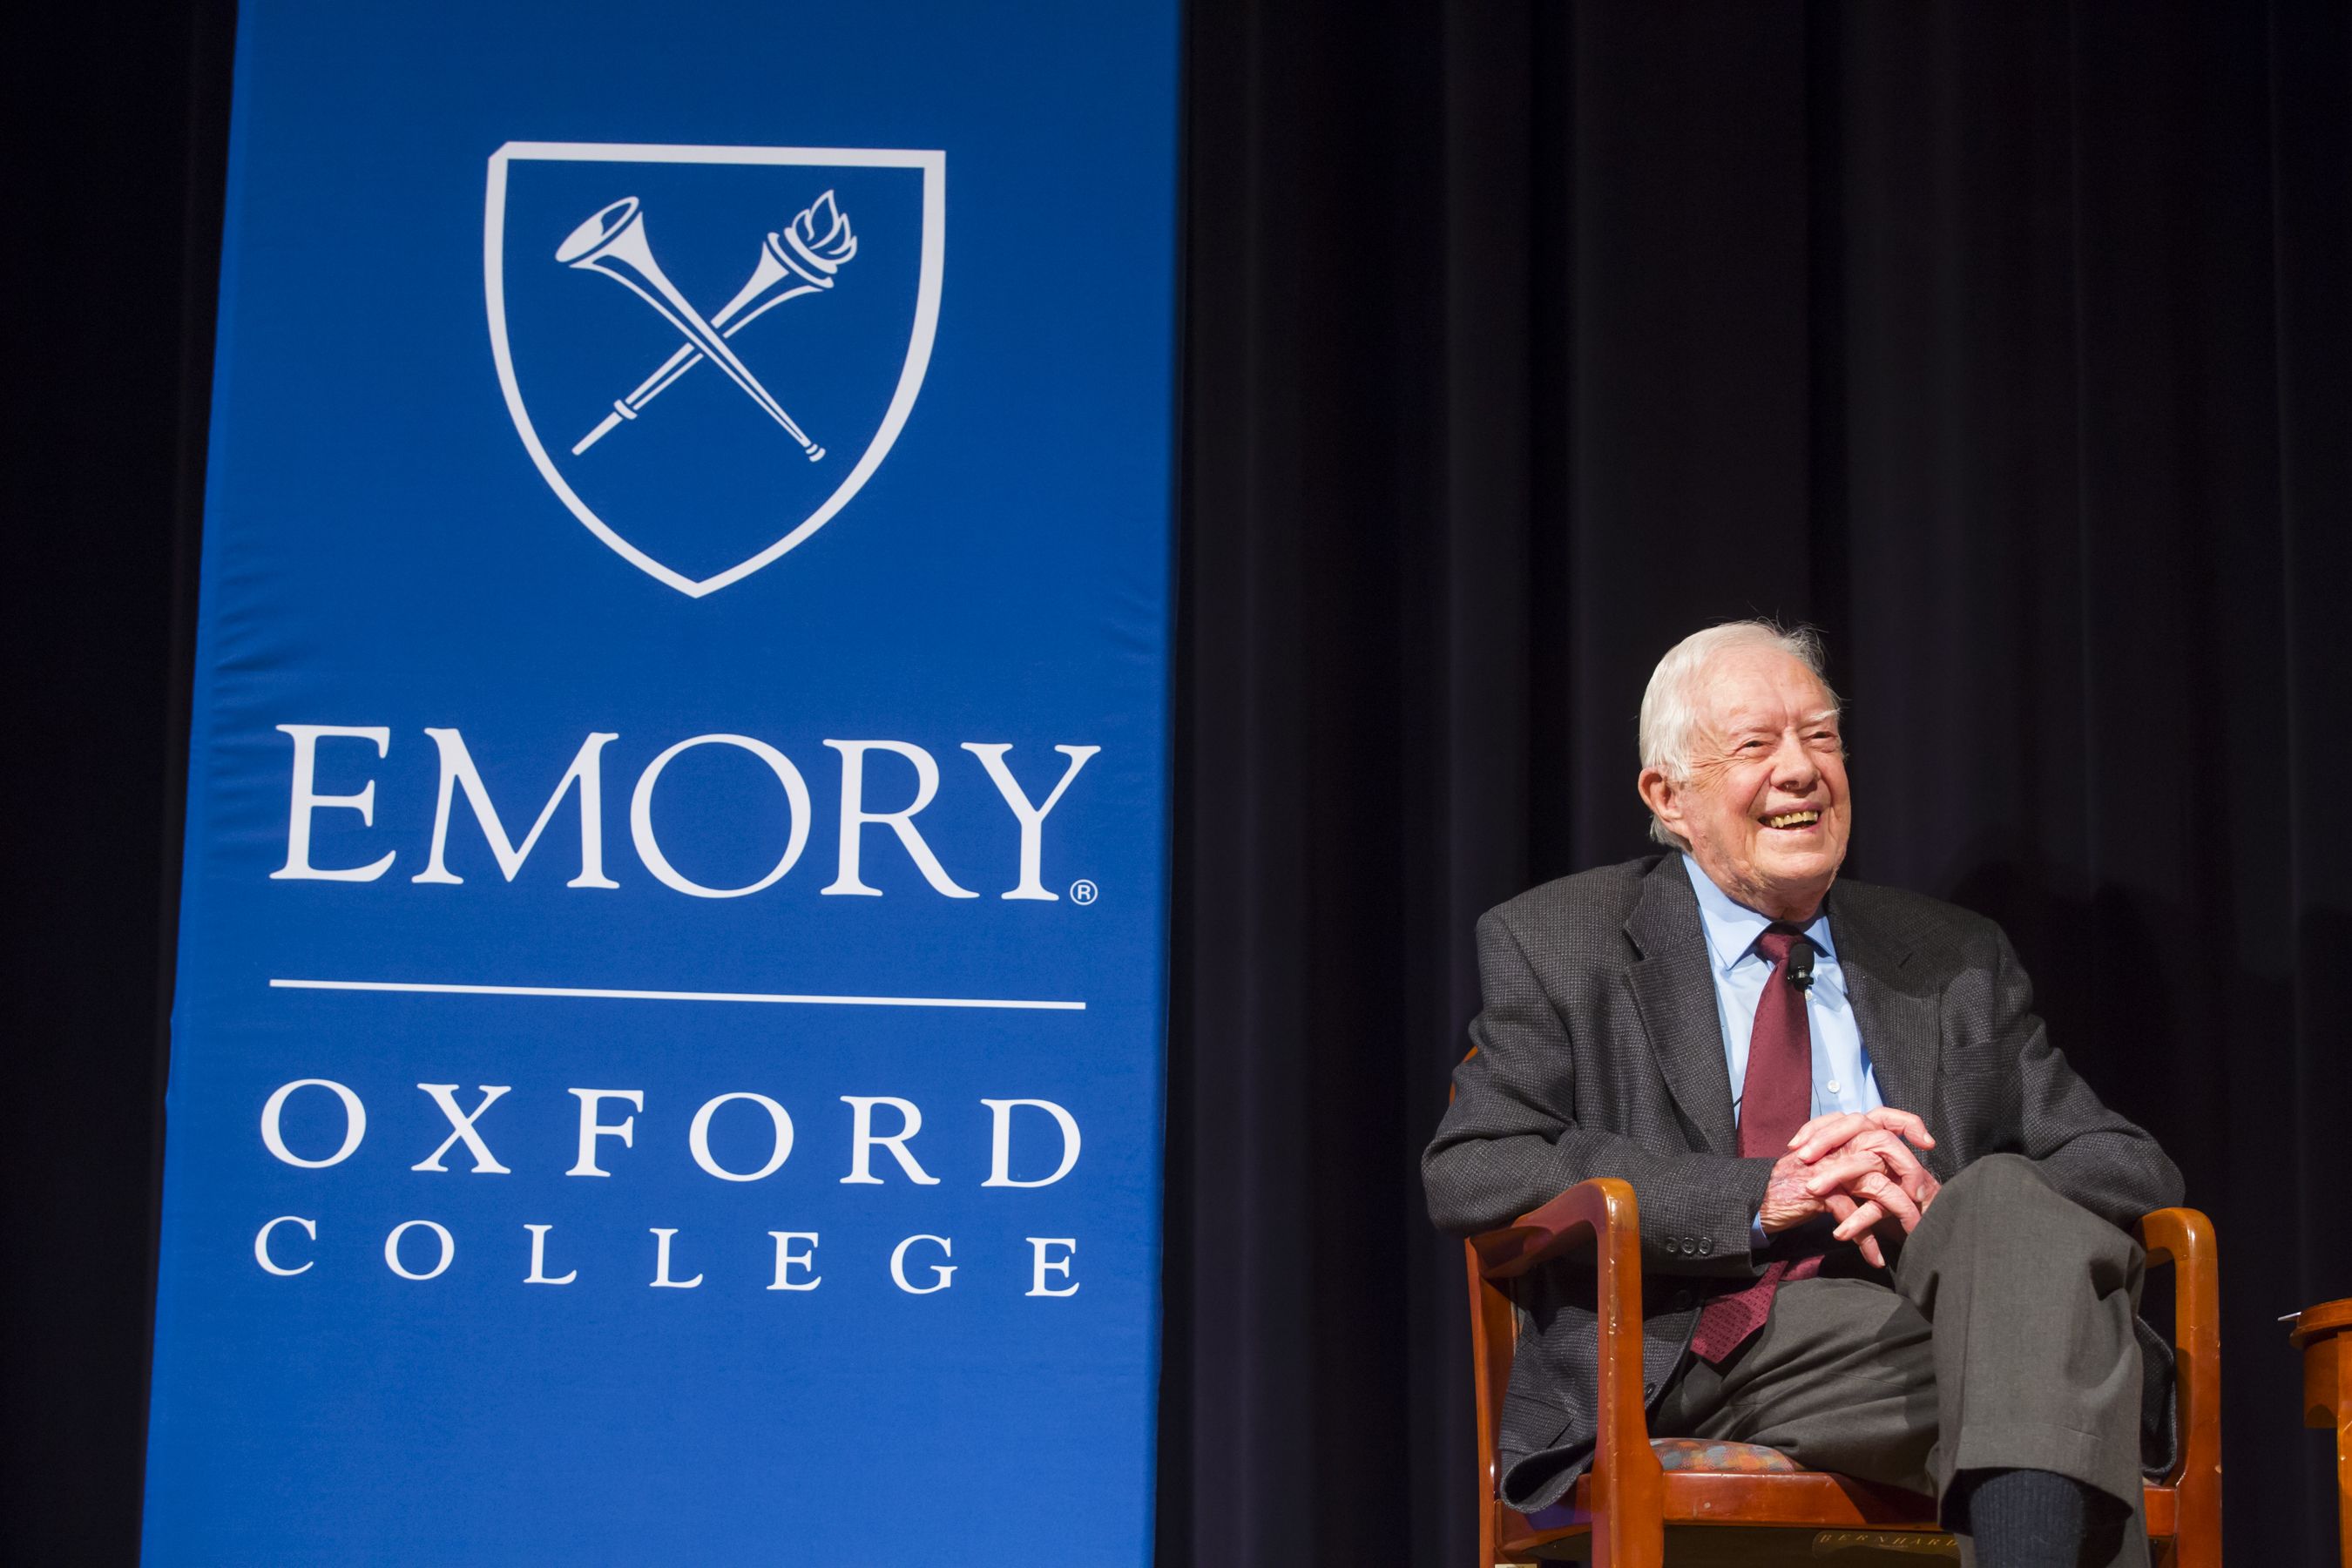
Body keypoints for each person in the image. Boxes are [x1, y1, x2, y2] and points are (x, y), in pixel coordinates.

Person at [1423, 620, 2181, 1568]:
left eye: (1822, 737)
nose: (1801, 771)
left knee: (2006, 1210)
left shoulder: (1951, 957)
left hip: (1928, 1320)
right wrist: (1759, 1196)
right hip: (1706, 1342)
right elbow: (1477, 1166)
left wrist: (1952, 1214)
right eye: (1756, 745)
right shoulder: (1560, 940)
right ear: (1669, 796)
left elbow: (2129, 1166)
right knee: (2069, 1377)